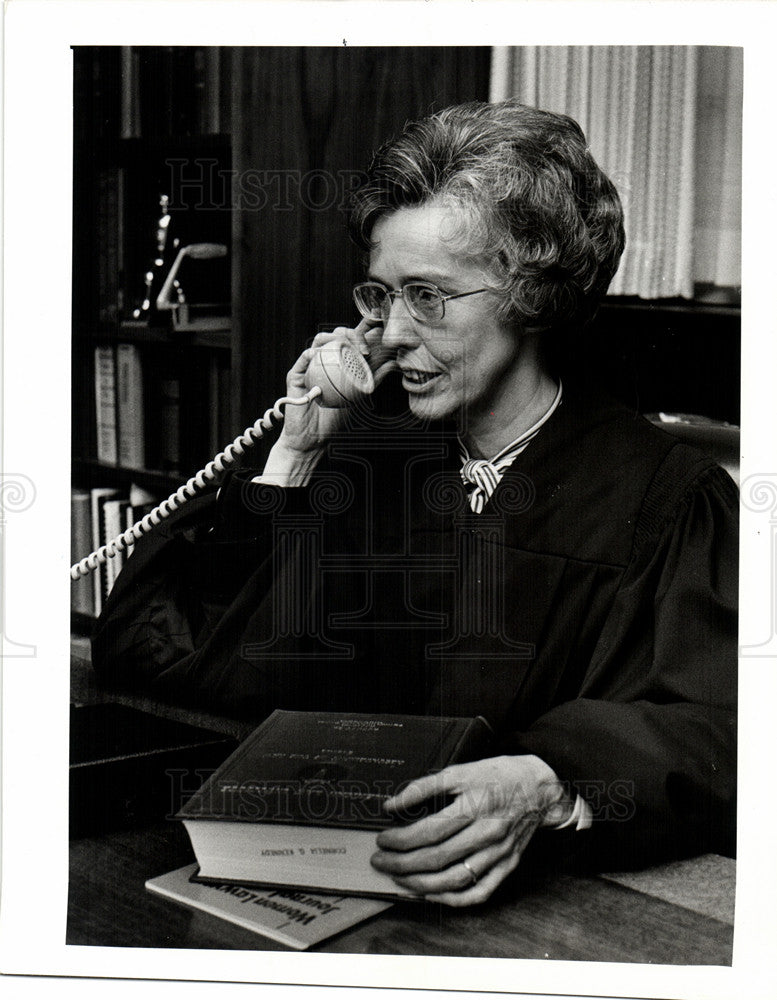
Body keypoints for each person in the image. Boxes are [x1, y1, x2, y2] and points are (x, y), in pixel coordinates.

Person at [92, 101, 737, 906]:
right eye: (380, 294)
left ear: (529, 294)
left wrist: (554, 779)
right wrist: (292, 456)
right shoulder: (360, 461)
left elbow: (725, 730)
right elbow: (167, 663)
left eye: (426, 296)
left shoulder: (661, 499)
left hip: (542, 912)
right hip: (329, 895)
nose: (390, 333)